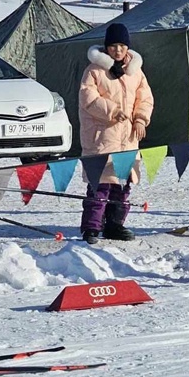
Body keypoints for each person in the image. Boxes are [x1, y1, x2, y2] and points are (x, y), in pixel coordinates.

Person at [78, 22, 154, 245]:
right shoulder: (94, 71)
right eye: (113, 46)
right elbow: (88, 99)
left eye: (121, 46)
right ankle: (92, 226)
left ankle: (115, 224)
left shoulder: (135, 72)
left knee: (122, 185)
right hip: (101, 137)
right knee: (99, 185)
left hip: (128, 139)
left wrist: (140, 119)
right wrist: (112, 111)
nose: (117, 50)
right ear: (106, 48)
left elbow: (145, 99)